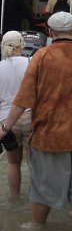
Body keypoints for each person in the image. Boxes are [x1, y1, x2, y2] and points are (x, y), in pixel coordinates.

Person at [0, 11, 72, 231]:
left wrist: (6, 127)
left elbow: (23, 100)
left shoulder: (41, 57)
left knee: (43, 188)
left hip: (50, 136)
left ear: (50, 32)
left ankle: (36, 229)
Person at [0, 31, 32, 197]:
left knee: (13, 163)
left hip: (6, 121)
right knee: (34, 165)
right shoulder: (30, 62)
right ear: (22, 44)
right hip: (29, 116)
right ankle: (36, 201)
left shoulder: (0, 66)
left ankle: (14, 200)